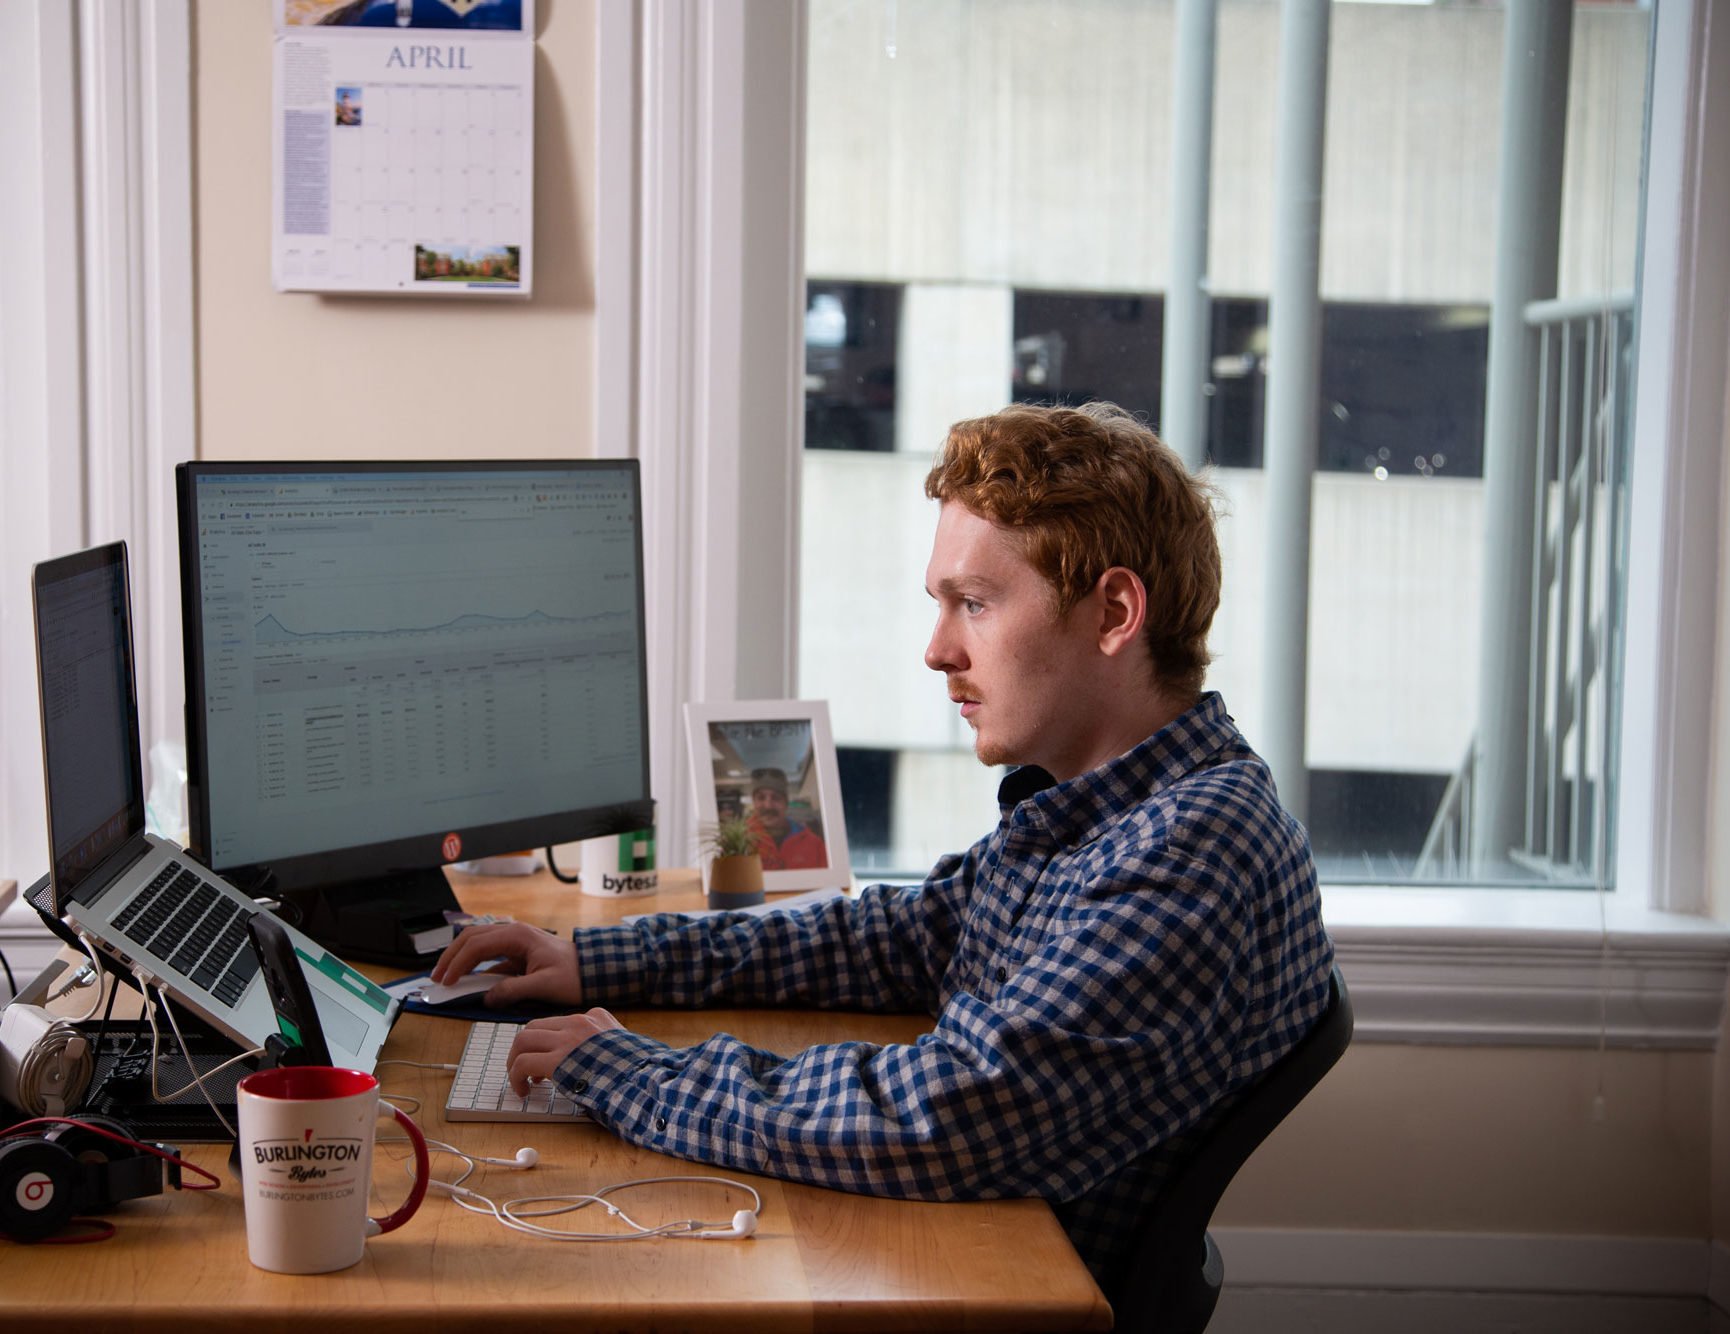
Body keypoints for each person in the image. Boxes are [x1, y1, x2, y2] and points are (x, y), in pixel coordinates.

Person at [431, 401, 1335, 1285]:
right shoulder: (1101, 808)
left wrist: (634, 1074)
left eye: (973, 603)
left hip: (999, 1295)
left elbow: (951, 1115)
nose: (937, 650)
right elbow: (894, 941)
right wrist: (600, 961)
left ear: (1113, 614)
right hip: (969, 1257)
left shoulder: (1189, 850)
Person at [744, 766, 827, 870]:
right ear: (754, 802)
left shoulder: (814, 844)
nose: (768, 805)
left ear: (786, 803)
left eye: (776, 798)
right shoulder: (739, 843)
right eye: (761, 798)